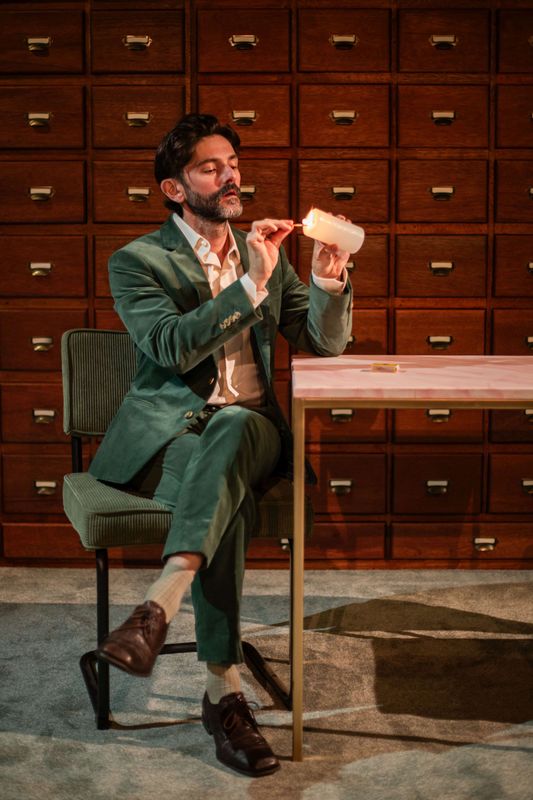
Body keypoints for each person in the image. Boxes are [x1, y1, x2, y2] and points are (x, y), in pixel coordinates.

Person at [89, 113, 353, 777]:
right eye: (210, 168)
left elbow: (322, 343)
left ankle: (160, 602)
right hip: (173, 435)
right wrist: (250, 285)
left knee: (234, 428)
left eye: (232, 163)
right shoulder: (137, 261)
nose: (230, 176)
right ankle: (223, 694)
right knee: (224, 491)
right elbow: (171, 346)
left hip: (251, 427)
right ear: (175, 189)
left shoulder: (263, 253)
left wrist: (327, 280)